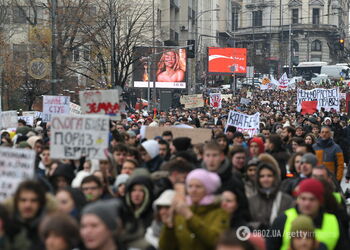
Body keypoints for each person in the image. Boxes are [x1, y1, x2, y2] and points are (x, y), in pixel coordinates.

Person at [267, 178, 349, 250]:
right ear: (297, 200)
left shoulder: (333, 221)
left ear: (320, 201)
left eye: (312, 199)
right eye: (303, 198)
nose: (307, 203)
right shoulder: (283, 219)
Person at [159, 169, 229, 250]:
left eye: (198, 186)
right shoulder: (181, 212)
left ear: (207, 189)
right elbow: (165, 247)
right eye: (190, 186)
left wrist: (190, 217)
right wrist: (168, 227)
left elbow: (215, 241)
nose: (193, 190)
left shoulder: (219, 212)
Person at [4, 180, 58, 250]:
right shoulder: (6, 226)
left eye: (33, 200)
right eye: (23, 200)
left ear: (40, 203)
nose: (28, 205)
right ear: (16, 202)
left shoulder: (51, 228)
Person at [248, 161, 294, 229]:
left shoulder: (286, 200)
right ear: (258, 179)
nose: (265, 179)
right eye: (262, 176)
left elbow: (291, 222)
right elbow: (246, 222)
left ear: (275, 178)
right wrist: (259, 226)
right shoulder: (251, 201)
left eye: (269, 176)